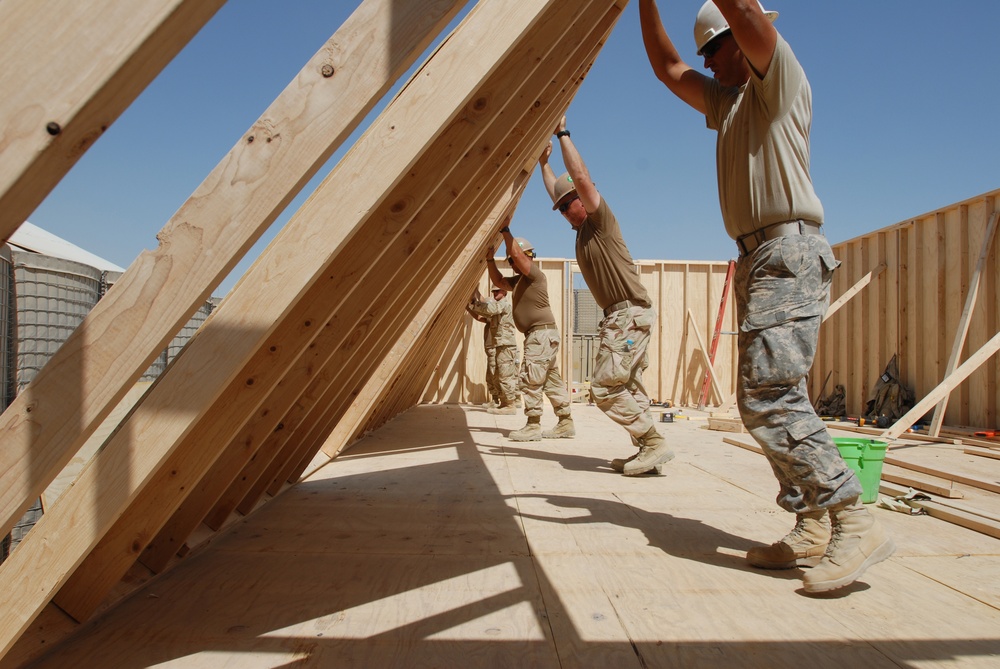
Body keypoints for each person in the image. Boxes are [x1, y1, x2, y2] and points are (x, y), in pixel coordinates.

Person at [638, 0, 894, 592]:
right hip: (759, 258)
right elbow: (667, 69)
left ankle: (855, 519)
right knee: (767, 397)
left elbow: (747, 15)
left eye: (714, 47)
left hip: (789, 250)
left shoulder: (779, 81)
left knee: (768, 396)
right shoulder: (727, 107)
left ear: (742, 39)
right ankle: (810, 524)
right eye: (704, 51)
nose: (706, 60)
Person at [538, 117, 670, 476]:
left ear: (585, 197)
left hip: (627, 314)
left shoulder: (600, 220)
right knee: (626, 385)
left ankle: (654, 443)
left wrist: (563, 134)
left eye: (569, 205)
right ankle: (649, 451)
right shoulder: (581, 232)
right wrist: (542, 163)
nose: (564, 211)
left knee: (603, 387)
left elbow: (578, 179)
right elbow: (560, 189)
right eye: (561, 209)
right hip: (626, 315)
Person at [486, 226, 574, 441]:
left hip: (540, 335)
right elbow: (499, 282)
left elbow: (516, 253)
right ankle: (565, 422)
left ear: (524, 258)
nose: (511, 264)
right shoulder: (518, 282)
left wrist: (506, 232)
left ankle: (533, 425)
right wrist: (490, 260)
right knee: (552, 381)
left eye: (513, 260)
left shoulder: (535, 274)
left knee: (530, 379)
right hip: (542, 335)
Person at [467, 287, 519, 414]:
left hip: (505, 345)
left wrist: (474, 302)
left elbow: (489, 309)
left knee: (505, 375)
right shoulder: (497, 308)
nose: (495, 293)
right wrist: (471, 306)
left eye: (498, 291)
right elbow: (484, 315)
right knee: (498, 375)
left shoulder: (503, 305)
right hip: (500, 345)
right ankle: (504, 403)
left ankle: (510, 405)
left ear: (505, 292)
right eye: (494, 291)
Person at [465, 293, 500, 408]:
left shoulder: (496, 313)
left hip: (495, 348)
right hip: (490, 348)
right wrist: (469, 309)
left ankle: (501, 401)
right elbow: (479, 317)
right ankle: (495, 400)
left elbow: (481, 312)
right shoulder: (490, 317)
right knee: (490, 375)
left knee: (495, 374)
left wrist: (474, 302)